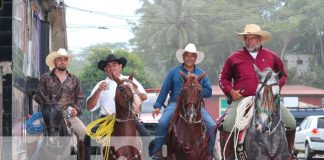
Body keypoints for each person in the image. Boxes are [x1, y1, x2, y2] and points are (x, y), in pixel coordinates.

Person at [218, 24, 296, 159]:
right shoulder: (234, 58)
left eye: (252, 38)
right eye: (246, 38)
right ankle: (228, 156)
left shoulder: (272, 57)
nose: (249, 41)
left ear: (260, 39)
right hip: (243, 100)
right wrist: (231, 91)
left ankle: (289, 154)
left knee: (291, 122)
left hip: (268, 100)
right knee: (227, 125)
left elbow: (283, 75)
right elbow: (223, 78)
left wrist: (275, 89)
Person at [150, 43, 216, 159]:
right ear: (183, 57)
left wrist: (197, 92)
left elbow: (209, 91)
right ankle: (157, 153)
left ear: (195, 58)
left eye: (192, 56)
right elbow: (165, 88)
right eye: (187, 55)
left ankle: (209, 154)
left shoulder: (201, 74)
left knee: (212, 126)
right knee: (163, 123)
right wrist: (158, 106)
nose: (190, 58)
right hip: (176, 103)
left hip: (196, 105)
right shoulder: (173, 72)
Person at [34, 48, 86, 160]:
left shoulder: (74, 79)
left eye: (65, 59)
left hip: (68, 114)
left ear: (67, 61)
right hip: (49, 115)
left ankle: (79, 156)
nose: (62, 61)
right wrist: (49, 104)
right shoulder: (45, 77)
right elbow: (38, 96)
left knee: (84, 133)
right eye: (59, 59)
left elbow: (80, 98)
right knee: (31, 131)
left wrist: (76, 109)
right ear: (55, 62)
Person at [86, 54, 149, 135]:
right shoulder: (100, 85)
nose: (111, 68)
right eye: (108, 66)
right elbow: (89, 107)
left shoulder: (129, 81)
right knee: (88, 138)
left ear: (120, 66)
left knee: (148, 138)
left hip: (128, 119)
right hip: (106, 120)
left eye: (114, 65)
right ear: (105, 69)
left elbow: (144, 96)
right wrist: (98, 90)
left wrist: (135, 91)